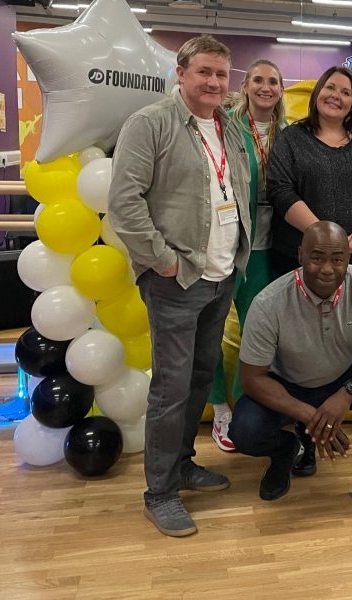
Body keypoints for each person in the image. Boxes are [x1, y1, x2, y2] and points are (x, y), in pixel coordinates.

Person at [108, 35, 252, 537]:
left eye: (221, 74)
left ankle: (183, 463)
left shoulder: (229, 126)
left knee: (198, 378)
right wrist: (163, 261)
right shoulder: (150, 124)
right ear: (182, 72)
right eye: (204, 72)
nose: (214, 82)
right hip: (178, 278)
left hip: (221, 274)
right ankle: (160, 492)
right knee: (171, 387)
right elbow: (124, 203)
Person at [229, 221, 352, 517]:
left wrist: (347, 393)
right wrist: (310, 416)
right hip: (288, 384)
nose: (327, 269)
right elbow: (252, 379)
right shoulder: (268, 303)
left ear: (348, 258)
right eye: (316, 258)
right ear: (300, 255)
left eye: (337, 259)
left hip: (341, 378)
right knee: (244, 432)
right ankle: (286, 450)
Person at [208, 59, 287, 453]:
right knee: (209, 329)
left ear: (281, 89)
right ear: (246, 86)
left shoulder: (289, 135)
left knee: (258, 332)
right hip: (227, 243)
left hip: (266, 248)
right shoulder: (226, 129)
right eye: (258, 80)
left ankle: (244, 404)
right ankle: (218, 406)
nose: (265, 87)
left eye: (273, 81)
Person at [267, 66, 352, 275]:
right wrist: (326, 236)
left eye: (346, 92)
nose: (336, 96)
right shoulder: (291, 138)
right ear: (318, 92)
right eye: (330, 87)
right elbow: (279, 191)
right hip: (301, 260)